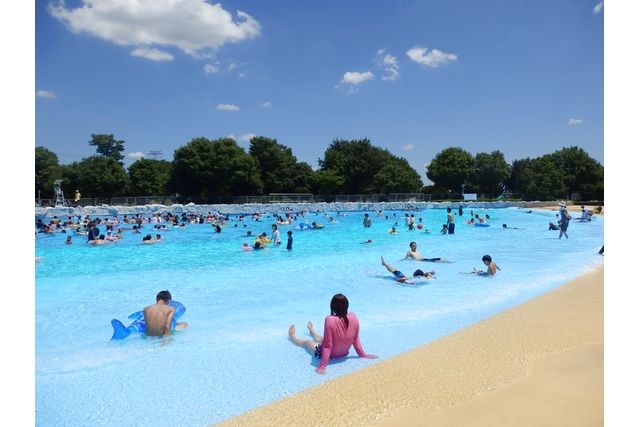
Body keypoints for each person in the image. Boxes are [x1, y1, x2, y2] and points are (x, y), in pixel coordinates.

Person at [288, 293, 377, 374]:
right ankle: (313, 332)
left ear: (333, 307)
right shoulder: (354, 317)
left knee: (307, 342)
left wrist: (322, 367)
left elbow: (327, 346)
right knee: (322, 339)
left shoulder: (330, 320)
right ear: (347, 305)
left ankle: (293, 337)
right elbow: (356, 340)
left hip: (327, 353)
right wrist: (363, 355)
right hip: (344, 353)